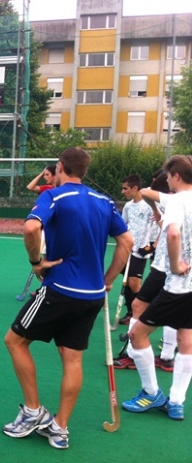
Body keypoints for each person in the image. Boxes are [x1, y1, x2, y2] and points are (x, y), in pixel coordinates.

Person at [2, 147, 132, 450]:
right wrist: (108, 279)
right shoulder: (105, 201)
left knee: (15, 341)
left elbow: (31, 227)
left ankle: (33, 412)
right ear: (84, 170)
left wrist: (36, 262)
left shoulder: (53, 196)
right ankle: (60, 429)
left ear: (60, 167)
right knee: (72, 358)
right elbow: (127, 241)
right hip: (92, 296)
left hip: (60, 289)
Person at [122, 155, 192, 421]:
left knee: (137, 335)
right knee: (187, 341)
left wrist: (175, 265)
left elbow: (172, 234)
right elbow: (149, 193)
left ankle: (152, 393)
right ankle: (176, 402)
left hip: (178, 286)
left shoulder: (176, 200)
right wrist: (155, 208)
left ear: (175, 177)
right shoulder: (173, 199)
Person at [117, 174, 154, 326]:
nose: (122, 192)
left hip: (141, 250)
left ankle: (144, 310)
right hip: (127, 249)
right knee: (126, 281)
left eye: (125, 188)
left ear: (135, 188)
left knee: (134, 283)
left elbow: (158, 226)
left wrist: (151, 246)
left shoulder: (149, 206)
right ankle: (131, 312)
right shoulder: (128, 206)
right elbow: (123, 224)